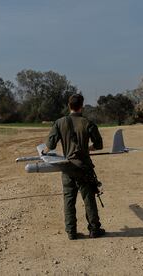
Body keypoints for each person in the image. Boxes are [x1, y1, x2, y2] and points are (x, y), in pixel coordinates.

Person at [42, 94, 105, 240]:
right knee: (89, 199)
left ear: (69, 106)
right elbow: (99, 145)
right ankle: (94, 230)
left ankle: (71, 232)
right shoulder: (88, 123)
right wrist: (88, 148)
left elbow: (50, 145)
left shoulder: (59, 122)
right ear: (81, 106)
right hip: (84, 168)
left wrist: (44, 151)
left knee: (69, 200)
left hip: (67, 168)